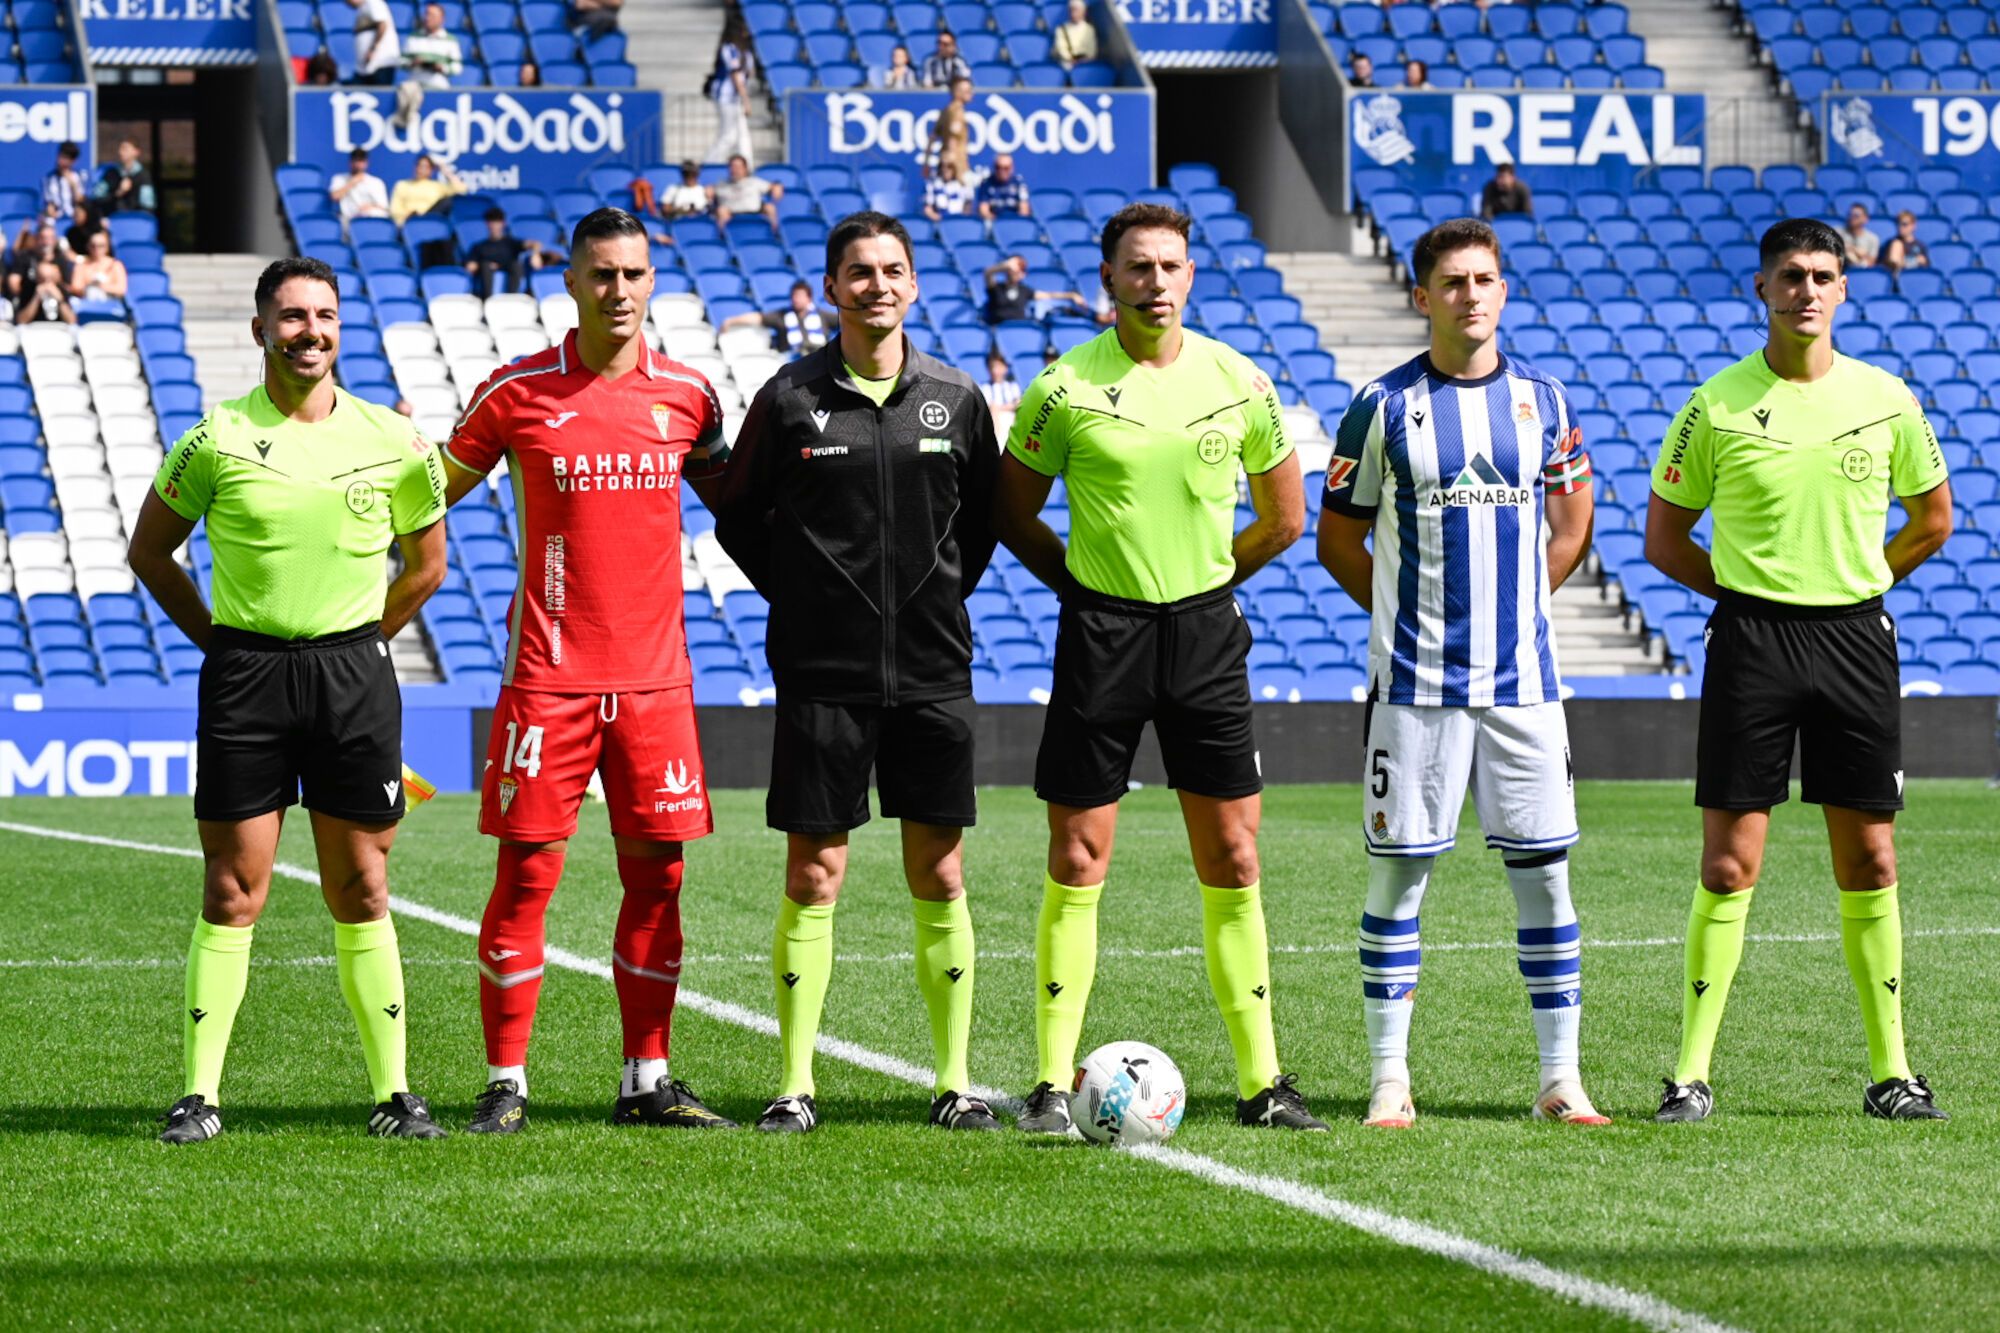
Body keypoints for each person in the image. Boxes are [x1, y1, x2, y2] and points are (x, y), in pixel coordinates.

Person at [990, 203, 1327, 1135]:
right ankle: (1053, 1085)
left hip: (1206, 639)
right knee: (1076, 854)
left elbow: (1284, 517)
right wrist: (1085, 589)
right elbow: (1013, 513)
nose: (1156, 282)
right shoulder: (1062, 387)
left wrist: (1211, 584)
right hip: (1102, 636)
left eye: (1170, 265)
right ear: (1109, 279)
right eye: (1138, 267)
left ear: (1191, 274)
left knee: (1234, 855)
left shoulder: (1239, 379)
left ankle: (1263, 1083)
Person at [125, 256, 451, 1144]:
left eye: (326, 315)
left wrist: (363, 642)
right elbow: (150, 553)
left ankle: (394, 1094)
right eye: (294, 316)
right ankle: (199, 1097)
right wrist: (220, 645)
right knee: (234, 890)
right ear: (261, 330)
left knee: (363, 883)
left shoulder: (395, 439)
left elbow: (427, 566)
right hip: (246, 678)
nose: (313, 331)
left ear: (340, 327)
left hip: (353, 679)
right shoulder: (214, 438)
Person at [1644, 218, 1953, 1124]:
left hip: (1857, 640)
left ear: (1844, 289)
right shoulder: (1717, 404)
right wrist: (1748, 595)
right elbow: (1664, 539)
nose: (1806, 290)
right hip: (1752, 643)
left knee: (1871, 856)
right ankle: (1690, 1075)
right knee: (1731, 862)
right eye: (1791, 275)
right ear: (1763, 289)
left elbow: (1934, 517)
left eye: (1823, 275)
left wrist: (1858, 581)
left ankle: (1893, 1072)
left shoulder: (1887, 398)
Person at [439, 208, 737, 1135]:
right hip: (548, 682)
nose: (619, 291)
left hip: (656, 687)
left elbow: (745, 510)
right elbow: (425, 494)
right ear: (570, 281)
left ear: (654, 283)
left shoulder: (690, 397)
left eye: (634, 274)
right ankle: (505, 1082)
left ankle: (646, 1079)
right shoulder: (516, 392)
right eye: (601, 274)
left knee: (660, 881)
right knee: (525, 878)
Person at [710, 210, 1002, 1135]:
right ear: (832, 287)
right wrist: (802, 597)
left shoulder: (955, 399)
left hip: (932, 672)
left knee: (941, 872)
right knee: (813, 874)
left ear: (914, 284)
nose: (878, 285)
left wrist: (930, 603)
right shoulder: (789, 399)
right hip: (821, 674)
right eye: (859, 272)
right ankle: (794, 1085)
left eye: (893, 270)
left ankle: (955, 1082)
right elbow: (736, 519)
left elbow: (982, 525)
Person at [1318, 217, 1606, 1130]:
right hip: (1413, 689)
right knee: (1399, 879)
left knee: (1546, 877)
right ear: (1422, 297)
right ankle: (1388, 1081)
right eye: (1452, 283)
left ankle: (1561, 1079)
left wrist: (1519, 605)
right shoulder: (1381, 405)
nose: (1470, 296)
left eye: (1484, 280)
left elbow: (1572, 524)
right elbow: (1338, 537)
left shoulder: (1547, 403)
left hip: (1525, 685)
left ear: (1503, 292)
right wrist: (1405, 614)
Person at [721, 279, 831, 358]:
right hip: (791, 361)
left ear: (809, 298)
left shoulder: (822, 315)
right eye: (794, 296)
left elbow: (844, 320)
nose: (796, 299)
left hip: (819, 357)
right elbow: (758, 317)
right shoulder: (782, 315)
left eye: (800, 296)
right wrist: (731, 321)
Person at [463, 207, 546, 297]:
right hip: (486, 277)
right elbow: (470, 267)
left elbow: (535, 244)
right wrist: (481, 265)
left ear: (503, 223)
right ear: (487, 224)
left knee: (516, 265)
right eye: (492, 222)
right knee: (485, 266)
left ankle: (512, 298)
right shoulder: (479, 246)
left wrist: (535, 254)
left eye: (497, 222)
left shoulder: (511, 243)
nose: (494, 226)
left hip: (510, 270)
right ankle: (487, 300)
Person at [706, 20, 755, 169]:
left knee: (743, 134)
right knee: (728, 135)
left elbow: (748, 73)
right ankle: (709, 163)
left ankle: (748, 166)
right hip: (727, 98)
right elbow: (736, 76)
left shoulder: (745, 52)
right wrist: (746, 100)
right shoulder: (729, 49)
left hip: (737, 98)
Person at [982, 254, 1080, 325]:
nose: (1017, 272)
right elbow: (988, 273)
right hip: (999, 329)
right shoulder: (996, 288)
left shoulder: (1024, 290)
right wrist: (1006, 265)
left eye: (1022, 270)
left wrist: (1071, 295)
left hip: (1020, 328)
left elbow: (1048, 295)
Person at [388, 153, 470, 226]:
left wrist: (446, 172)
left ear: (431, 170)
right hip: (409, 221)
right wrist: (406, 216)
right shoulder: (402, 185)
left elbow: (462, 190)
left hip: (430, 219)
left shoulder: (438, 186)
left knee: (447, 201)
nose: (421, 169)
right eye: (419, 166)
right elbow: (395, 209)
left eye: (426, 167)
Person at [328, 148, 391, 234]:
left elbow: (384, 208)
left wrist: (370, 207)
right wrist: (352, 182)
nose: (358, 164)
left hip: (371, 220)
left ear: (366, 163)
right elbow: (334, 196)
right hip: (348, 220)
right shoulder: (339, 179)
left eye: (361, 161)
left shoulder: (376, 182)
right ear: (350, 162)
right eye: (356, 161)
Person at [402, 2, 463, 88]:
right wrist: (413, 63)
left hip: (438, 86)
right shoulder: (413, 37)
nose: (428, 18)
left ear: (442, 19)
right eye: (426, 14)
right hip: (414, 84)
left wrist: (441, 68)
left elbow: (457, 67)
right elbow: (401, 61)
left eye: (432, 16)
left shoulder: (450, 41)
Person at [711, 154, 782, 227]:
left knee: (770, 208)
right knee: (721, 211)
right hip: (731, 214)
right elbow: (710, 190)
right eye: (732, 166)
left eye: (738, 167)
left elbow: (772, 186)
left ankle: (775, 234)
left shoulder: (754, 181)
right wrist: (709, 190)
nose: (735, 170)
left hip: (754, 212)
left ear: (745, 168)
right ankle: (724, 236)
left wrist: (777, 187)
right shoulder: (722, 184)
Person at [925, 77, 973, 182]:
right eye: (967, 91)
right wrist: (955, 168)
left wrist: (926, 161)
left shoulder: (946, 110)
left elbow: (932, 137)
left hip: (945, 163)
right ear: (957, 92)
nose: (971, 93)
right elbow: (953, 139)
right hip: (955, 166)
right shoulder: (956, 112)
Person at [7, 220, 70, 300]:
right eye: (43, 238)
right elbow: (14, 281)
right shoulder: (25, 257)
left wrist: (55, 281)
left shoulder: (61, 259)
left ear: (55, 240)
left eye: (50, 238)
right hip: (29, 300)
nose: (46, 242)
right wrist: (26, 296)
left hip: (55, 300)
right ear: (36, 239)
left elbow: (67, 287)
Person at [346, 0, 400, 85]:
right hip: (366, 68)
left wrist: (372, 49)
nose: (347, 3)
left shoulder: (373, 2)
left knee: (380, 94)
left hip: (381, 63)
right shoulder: (362, 9)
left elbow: (382, 25)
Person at [69, 230, 127, 303]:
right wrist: (90, 287)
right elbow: (75, 287)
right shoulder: (81, 264)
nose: (96, 249)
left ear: (107, 247)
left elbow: (121, 289)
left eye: (100, 246)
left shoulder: (116, 265)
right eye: (93, 246)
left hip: (111, 303)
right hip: (87, 302)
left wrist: (100, 286)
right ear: (88, 246)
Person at [14, 260, 75, 325]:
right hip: (34, 331)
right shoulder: (29, 290)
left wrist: (60, 300)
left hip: (58, 331)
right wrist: (36, 298)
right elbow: (21, 321)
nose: (47, 283)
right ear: (37, 278)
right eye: (43, 279)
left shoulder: (62, 290)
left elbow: (72, 321)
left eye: (50, 279)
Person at [975, 153, 1030, 222]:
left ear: (1012, 168)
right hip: (993, 224)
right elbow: (983, 210)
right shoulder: (986, 184)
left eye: (1006, 168)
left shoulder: (1019, 183)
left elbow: (1024, 210)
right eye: (998, 167)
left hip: (1015, 223)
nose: (1002, 171)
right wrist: (998, 225)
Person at [41, 141, 86, 225]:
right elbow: (49, 205)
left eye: (65, 158)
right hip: (56, 219)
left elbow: (83, 202)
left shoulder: (81, 176)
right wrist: (51, 210)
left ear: (73, 161)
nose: (60, 161)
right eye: (60, 156)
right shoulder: (49, 179)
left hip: (76, 219)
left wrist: (73, 186)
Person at [107, 140, 156, 215]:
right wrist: (119, 192)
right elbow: (98, 199)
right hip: (113, 220)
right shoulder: (111, 174)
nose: (120, 152)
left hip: (136, 221)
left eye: (125, 149)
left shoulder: (143, 176)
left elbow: (148, 206)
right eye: (120, 149)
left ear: (136, 152)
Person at [1052, 0, 1098, 67]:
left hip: (1086, 62)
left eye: (1076, 10)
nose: (1073, 13)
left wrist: (1085, 60)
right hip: (1068, 63)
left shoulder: (1090, 29)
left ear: (1083, 12)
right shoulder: (1061, 29)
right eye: (1071, 10)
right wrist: (1070, 59)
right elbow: (1061, 48)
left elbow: (1092, 50)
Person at [1882, 210, 1928, 277]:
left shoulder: (1921, 245)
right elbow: (1895, 263)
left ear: (1913, 225)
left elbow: (1925, 263)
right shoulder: (1892, 243)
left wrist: (1904, 262)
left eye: (1904, 224)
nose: (1900, 227)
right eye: (1898, 224)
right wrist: (1916, 260)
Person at [1842, 203, 1879, 269]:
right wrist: (1854, 249)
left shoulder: (1873, 238)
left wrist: (1863, 255)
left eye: (1856, 215)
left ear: (1865, 219)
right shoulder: (1838, 232)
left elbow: (1871, 262)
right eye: (1850, 214)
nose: (1851, 218)